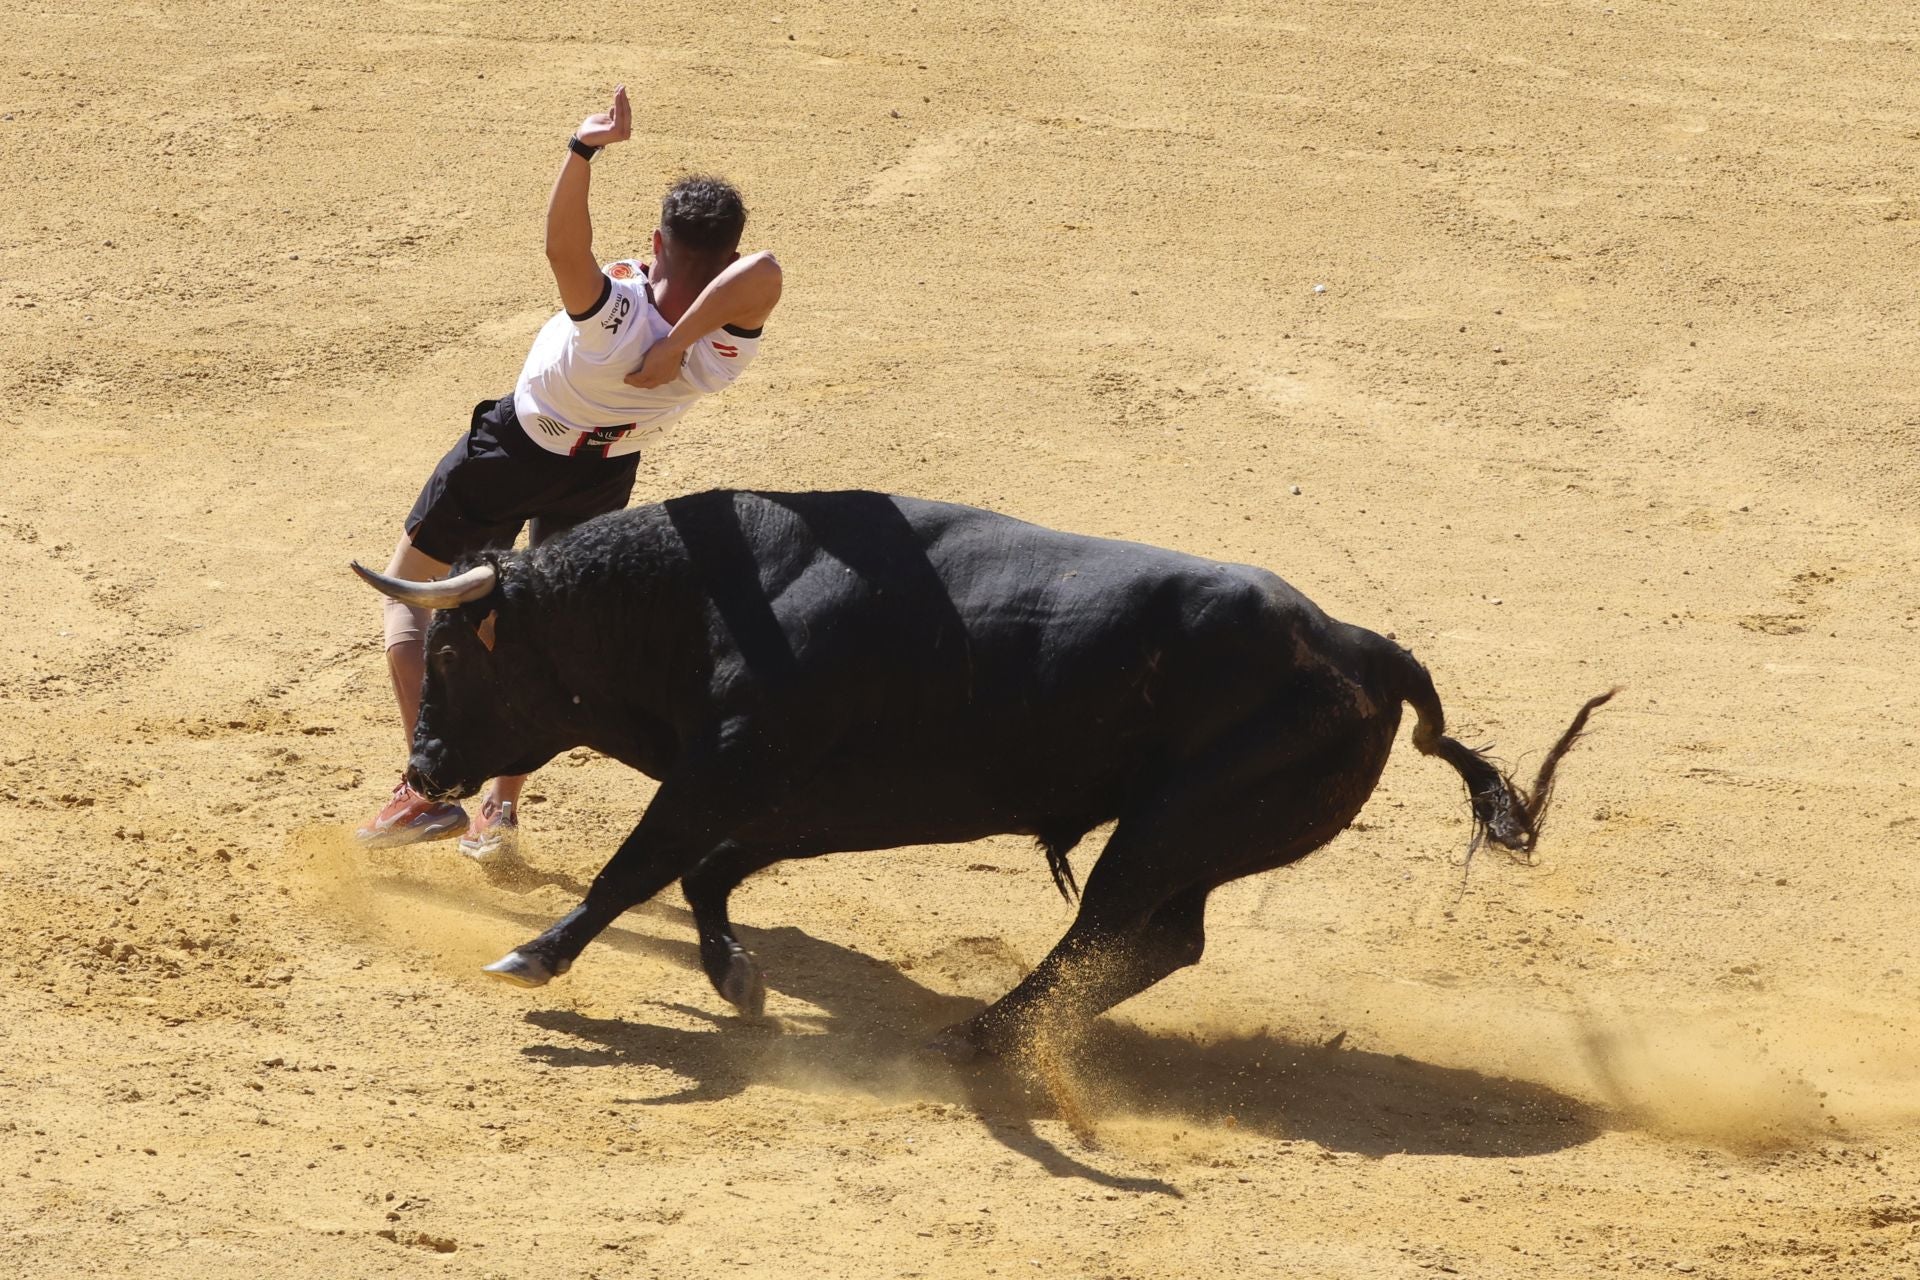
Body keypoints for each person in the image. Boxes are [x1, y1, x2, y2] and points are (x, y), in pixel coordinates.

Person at [356, 85, 782, 858]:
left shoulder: (614, 318)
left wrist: (583, 149)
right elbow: (762, 271)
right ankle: (499, 812)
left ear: (656, 242)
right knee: (539, 635)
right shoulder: (723, 343)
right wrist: (675, 341)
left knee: (405, 604)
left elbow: (562, 249)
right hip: (604, 473)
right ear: (727, 253)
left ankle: (425, 791)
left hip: (509, 455)